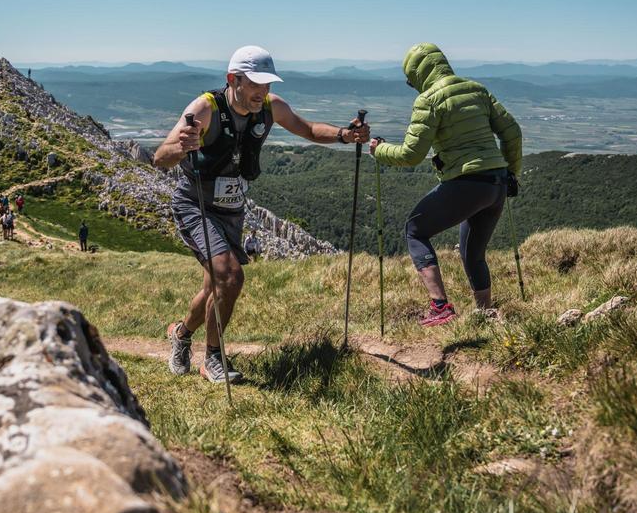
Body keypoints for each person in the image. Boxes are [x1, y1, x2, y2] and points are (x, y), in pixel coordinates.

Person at [153, 45, 369, 383]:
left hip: (232, 211)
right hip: (195, 205)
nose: (262, 91)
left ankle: (180, 335)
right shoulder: (205, 108)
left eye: (266, 84)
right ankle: (213, 360)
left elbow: (309, 129)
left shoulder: (271, 107)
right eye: (255, 83)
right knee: (230, 277)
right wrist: (182, 145)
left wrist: (345, 135)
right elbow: (160, 157)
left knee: (214, 287)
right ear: (233, 79)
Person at [369, 43, 522, 327]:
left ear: (418, 74)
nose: (410, 85)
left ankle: (440, 306)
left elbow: (411, 155)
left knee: (414, 230)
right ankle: (484, 316)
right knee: (472, 253)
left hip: (466, 183)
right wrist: (512, 173)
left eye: (409, 79)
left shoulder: (429, 100)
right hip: (497, 184)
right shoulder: (477, 90)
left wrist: (379, 151)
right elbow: (512, 132)